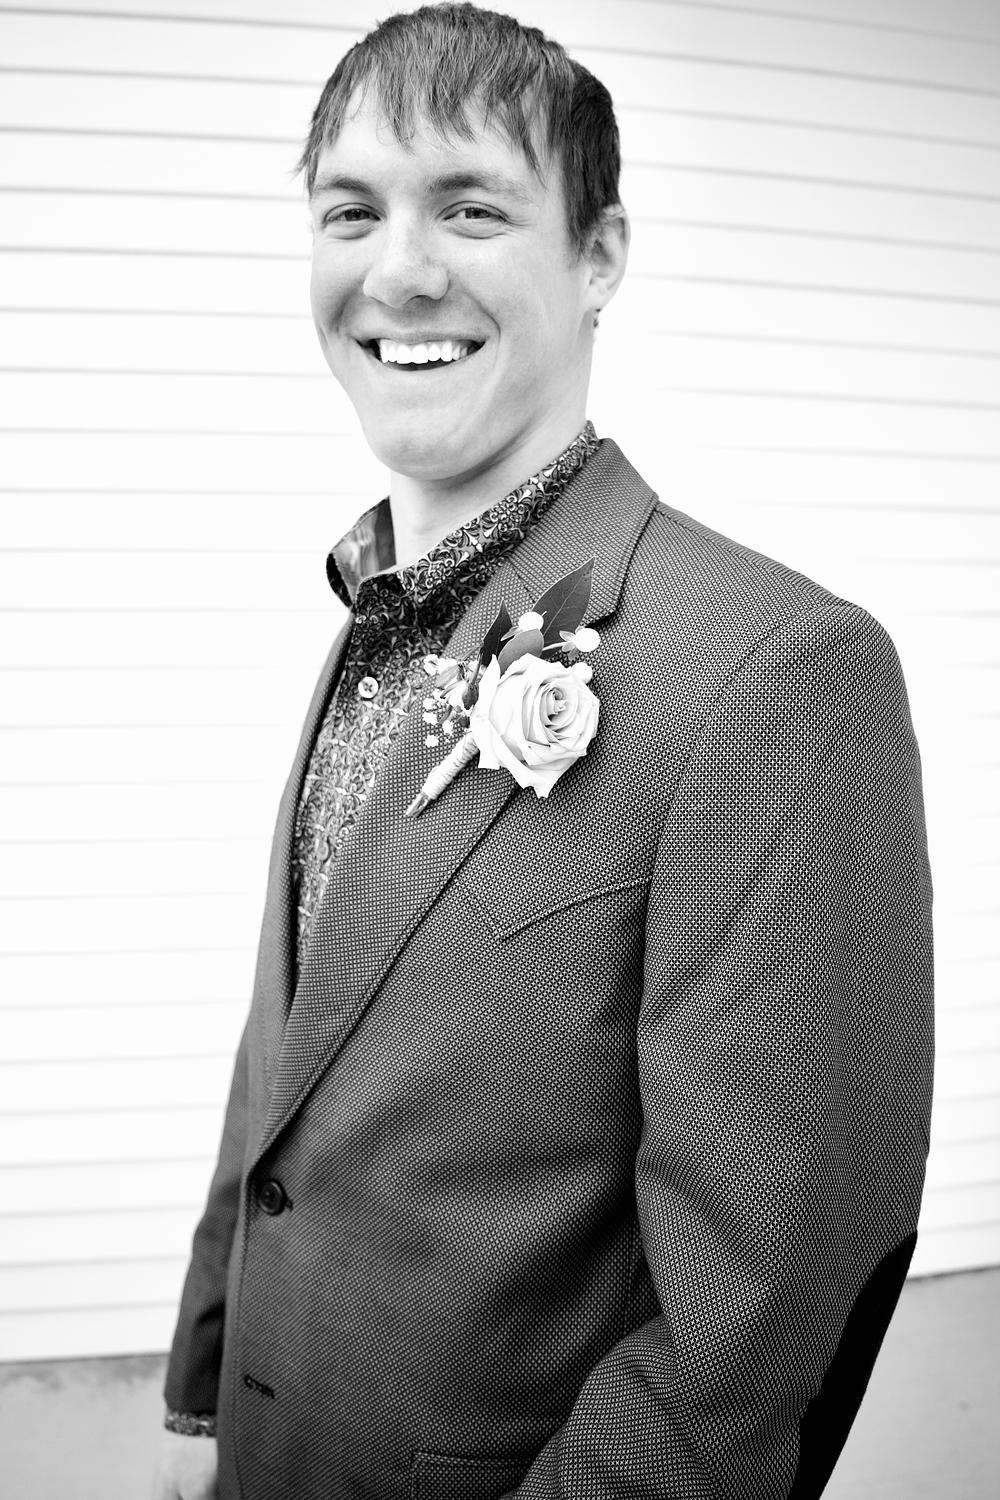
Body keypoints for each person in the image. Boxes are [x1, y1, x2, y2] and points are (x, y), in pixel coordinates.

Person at [153, 6, 934, 1499]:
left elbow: (756, 1324)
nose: (398, 271)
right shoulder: (371, 623)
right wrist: (201, 1405)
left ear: (600, 255)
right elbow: (284, 1071)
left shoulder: (773, 668)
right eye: (351, 212)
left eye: (471, 208)